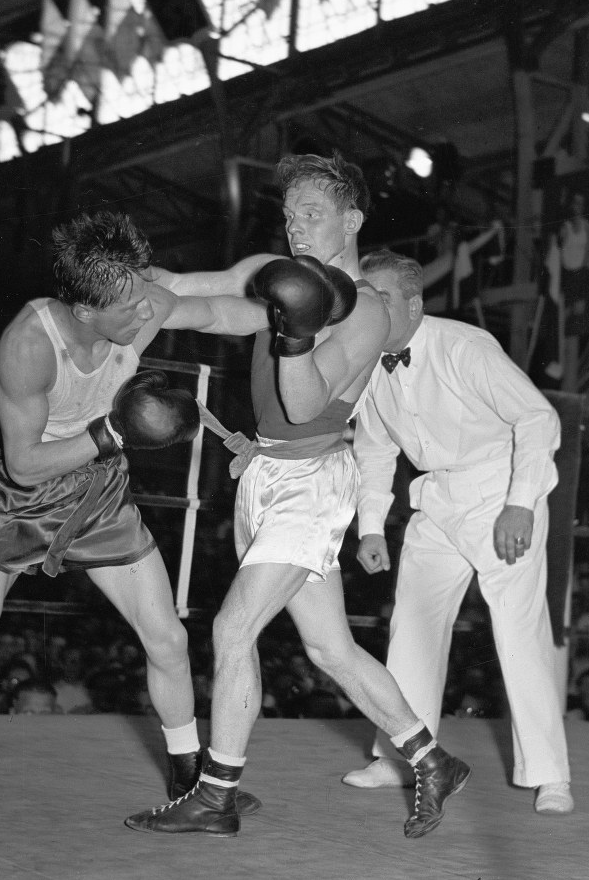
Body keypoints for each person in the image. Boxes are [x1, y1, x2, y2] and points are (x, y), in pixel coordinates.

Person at [0, 208, 273, 826]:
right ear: (85, 311)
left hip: (101, 493)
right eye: (133, 310)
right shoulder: (29, 344)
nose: (149, 314)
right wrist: (115, 430)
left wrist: (300, 316)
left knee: (167, 636)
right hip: (23, 498)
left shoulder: (136, 298)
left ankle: (187, 775)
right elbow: (26, 462)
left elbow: (224, 308)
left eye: (146, 298)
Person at [125, 152, 471, 840]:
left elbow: (304, 396)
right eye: (288, 216)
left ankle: (216, 794)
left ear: (352, 218)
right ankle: (432, 759)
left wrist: (292, 327)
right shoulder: (279, 274)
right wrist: (139, 291)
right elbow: (214, 300)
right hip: (266, 475)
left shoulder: (365, 311)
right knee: (330, 649)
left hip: (314, 483)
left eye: (310, 214)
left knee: (232, 627)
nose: (295, 228)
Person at [341, 248, 574, 816]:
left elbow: (539, 418)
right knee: (412, 627)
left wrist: (520, 505)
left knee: (519, 633)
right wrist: (371, 527)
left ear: (415, 305)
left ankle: (551, 777)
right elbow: (374, 451)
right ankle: (401, 759)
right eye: (362, 297)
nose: (367, 308)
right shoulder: (370, 363)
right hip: (436, 502)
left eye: (381, 298)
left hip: (501, 492)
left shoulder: (464, 346)